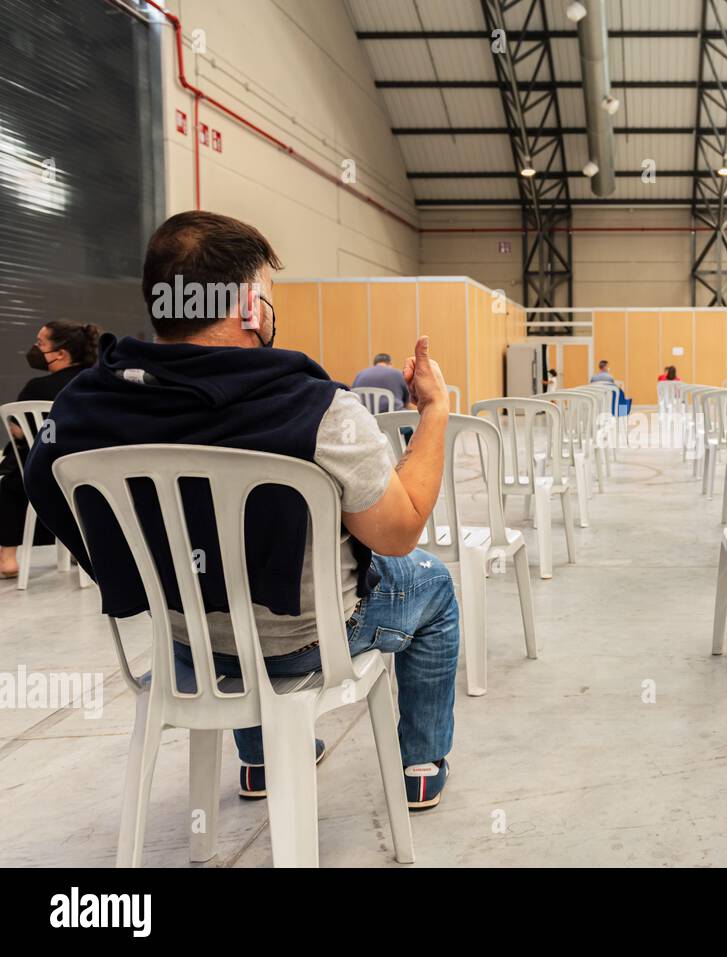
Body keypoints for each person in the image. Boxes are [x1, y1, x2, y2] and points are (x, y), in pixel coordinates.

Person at [24, 211, 459, 811]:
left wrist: (137, 573)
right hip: (305, 643)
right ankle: (420, 764)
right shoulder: (318, 408)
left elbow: (43, 486)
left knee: (222, 588)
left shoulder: (81, 406)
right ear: (252, 307)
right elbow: (398, 533)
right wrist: (434, 411)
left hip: (183, 639)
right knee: (433, 583)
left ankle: (260, 759)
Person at [1, 321, 101, 578]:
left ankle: (8, 557)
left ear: (60, 353)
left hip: (41, 476)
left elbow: (17, 430)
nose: (35, 348)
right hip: (91, 473)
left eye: (40, 343)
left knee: (16, 465)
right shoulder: (98, 381)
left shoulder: (37, 387)